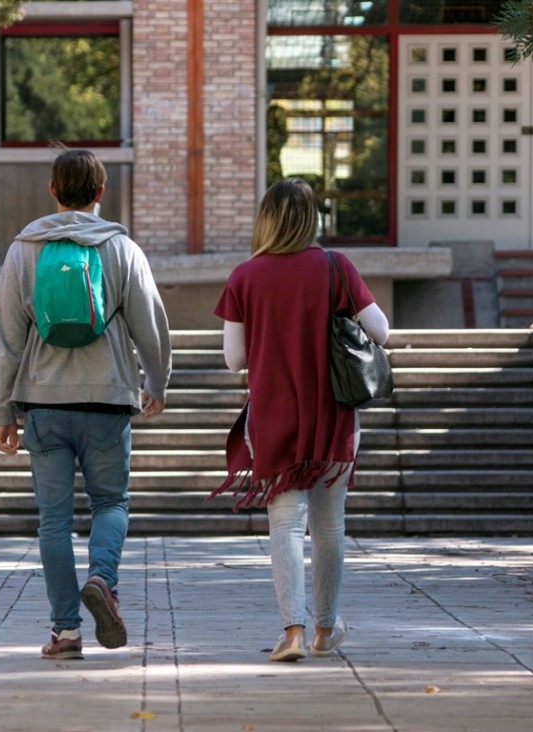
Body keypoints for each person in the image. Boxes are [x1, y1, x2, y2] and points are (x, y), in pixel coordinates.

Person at [0, 149, 172, 660]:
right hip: (108, 399)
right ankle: (102, 576)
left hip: (43, 404)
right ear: (100, 192)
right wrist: (156, 381)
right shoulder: (120, 248)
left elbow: (8, 338)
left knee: (53, 520)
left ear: (52, 189)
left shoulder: (23, 249)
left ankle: (66, 632)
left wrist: (3, 411)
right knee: (110, 504)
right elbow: (150, 325)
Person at [210, 178, 389, 662]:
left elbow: (233, 359)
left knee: (285, 523)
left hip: (274, 416)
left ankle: (291, 630)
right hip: (333, 415)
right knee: (329, 526)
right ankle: (325, 630)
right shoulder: (336, 266)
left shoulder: (245, 276)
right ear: (311, 219)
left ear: (265, 218)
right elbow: (381, 330)